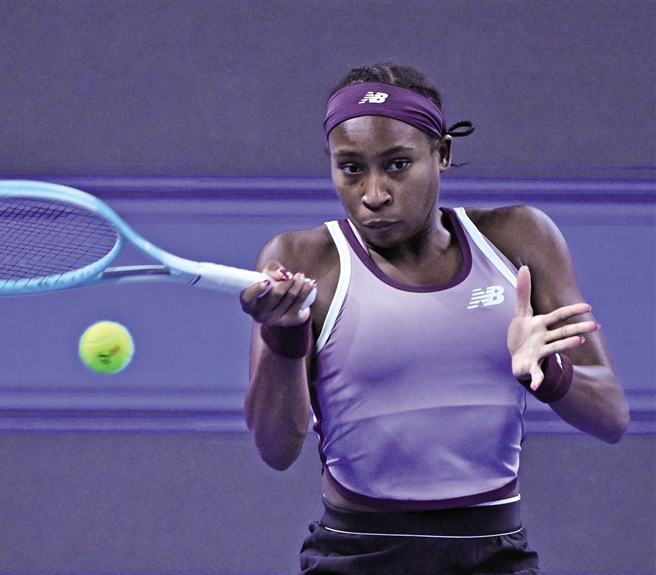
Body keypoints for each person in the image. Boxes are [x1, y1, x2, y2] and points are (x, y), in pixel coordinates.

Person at [239, 63, 630, 574]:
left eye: (397, 165)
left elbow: (611, 418)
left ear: (442, 154)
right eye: (351, 168)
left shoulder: (520, 239)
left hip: (493, 556)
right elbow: (276, 448)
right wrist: (284, 338)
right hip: (355, 555)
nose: (373, 194)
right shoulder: (300, 259)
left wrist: (549, 371)